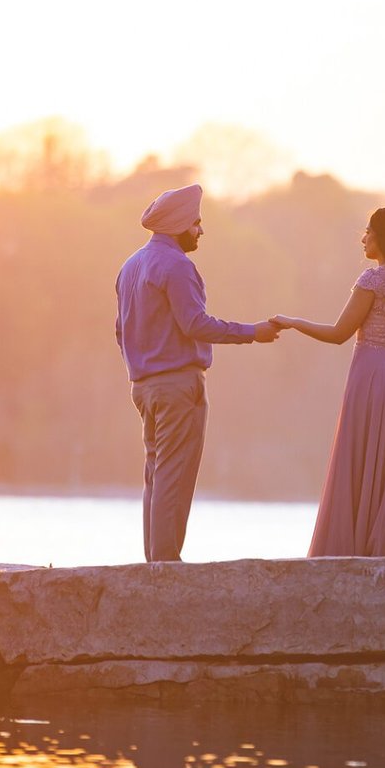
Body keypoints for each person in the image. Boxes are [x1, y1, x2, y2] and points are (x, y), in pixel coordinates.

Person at [116, 183, 280, 562]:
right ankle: (166, 566)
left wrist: (140, 367)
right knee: (174, 476)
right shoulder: (177, 265)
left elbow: (120, 331)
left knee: (156, 476)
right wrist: (252, 333)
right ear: (179, 225)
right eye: (196, 223)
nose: (201, 231)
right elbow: (195, 324)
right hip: (177, 385)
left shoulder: (129, 266)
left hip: (143, 387)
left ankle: (155, 562)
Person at [271, 206, 385, 557]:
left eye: (368, 232)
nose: (363, 238)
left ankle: (360, 546)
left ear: (384, 238)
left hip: (374, 378)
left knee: (365, 457)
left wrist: (292, 322)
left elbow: (339, 334)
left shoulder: (373, 280)